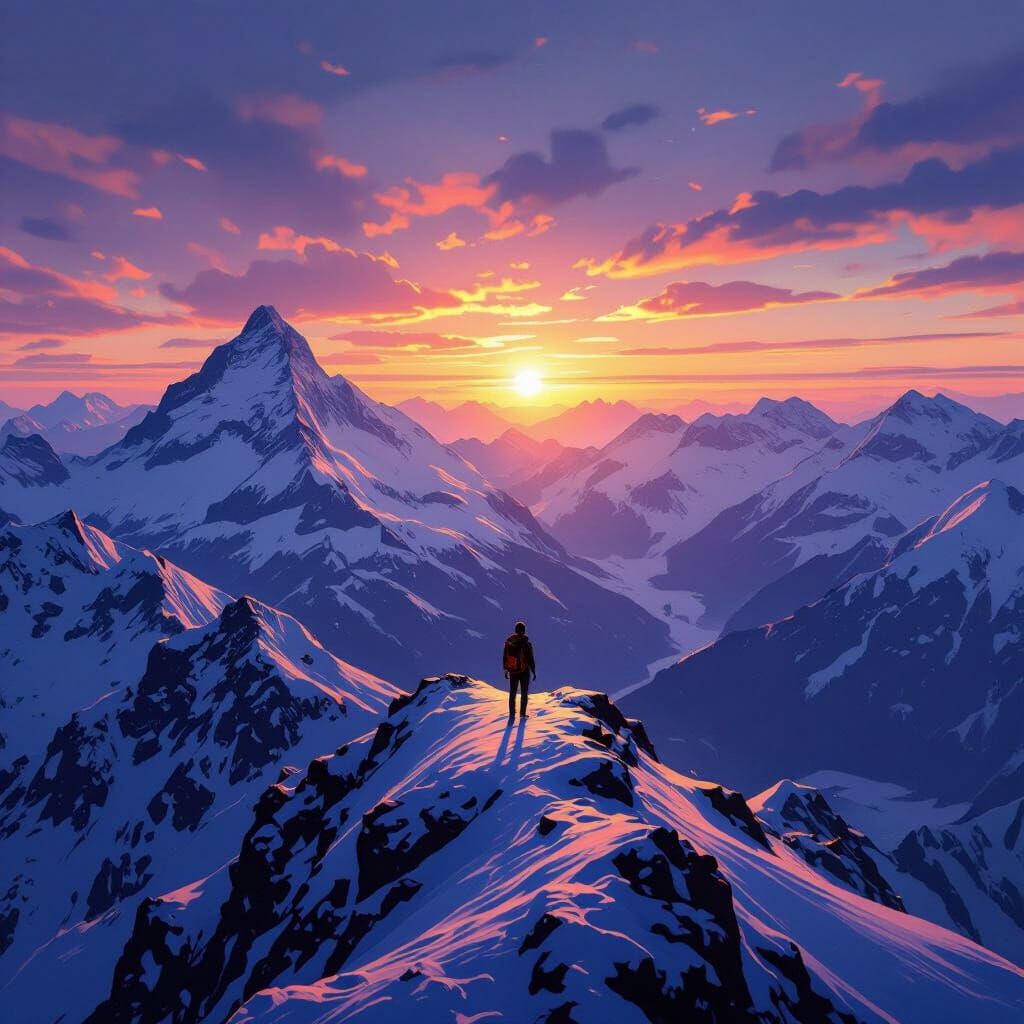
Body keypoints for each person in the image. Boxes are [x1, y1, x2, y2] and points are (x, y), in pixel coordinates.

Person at [502, 620, 536, 719]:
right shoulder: (526, 643)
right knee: (524, 693)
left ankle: (512, 714)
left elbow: (505, 656)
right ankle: (522, 714)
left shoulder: (509, 642)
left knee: (512, 693)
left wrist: (506, 669)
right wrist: (533, 671)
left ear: (515, 630)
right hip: (524, 671)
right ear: (524, 630)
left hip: (513, 671)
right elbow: (530, 658)